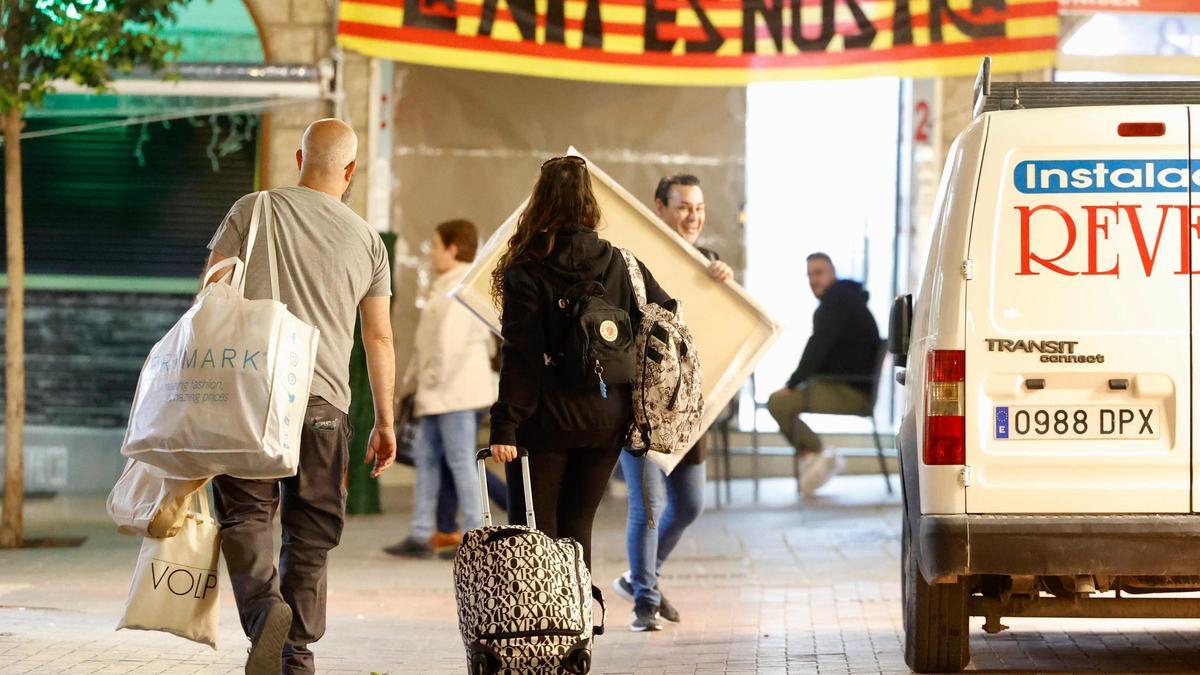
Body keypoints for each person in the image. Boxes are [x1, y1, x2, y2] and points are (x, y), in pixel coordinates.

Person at [203, 119, 397, 675]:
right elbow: (378, 336)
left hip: (249, 395)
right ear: (351, 170)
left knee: (246, 516)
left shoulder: (252, 208)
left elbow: (210, 293)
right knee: (311, 533)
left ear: (298, 157)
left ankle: (266, 616)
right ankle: (297, 656)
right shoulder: (368, 241)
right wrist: (385, 420)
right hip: (324, 405)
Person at [487, 155, 671, 573]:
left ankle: (542, 631)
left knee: (533, 535)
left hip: (546, 418)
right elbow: (664, 314)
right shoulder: (622, 263)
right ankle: (578, 634)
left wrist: (505, 423)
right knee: (577, 531)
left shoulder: (527, 269)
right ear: (590, 204)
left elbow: (522, 354)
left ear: (539, 202)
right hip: (608, 417)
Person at [612, 174, 732, 632]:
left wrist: (724, 283)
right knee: (648, 505)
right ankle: (645, 600)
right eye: (683, 206)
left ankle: (640, 577)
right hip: (640, 406)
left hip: (686, 409)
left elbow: (726, 326)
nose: (693, 216)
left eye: (699, 207)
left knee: (690, 504)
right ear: (658, 208)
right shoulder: (630, 264)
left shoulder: (707, 265)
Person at [386, 219, 497, 559]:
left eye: (435, 246)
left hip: (455, 394)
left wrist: (424, 385)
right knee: (429, 460)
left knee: (461, 461)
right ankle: (421, 533)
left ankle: (476, 536)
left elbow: (445, 348)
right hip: (442, 394)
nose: (432, 253)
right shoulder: (450, 284)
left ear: (451, 249)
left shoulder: (458, 288)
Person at [768, 252, 880, 496]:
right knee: (783, 399)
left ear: (833, 273)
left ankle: (819, 454)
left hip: (851, 391)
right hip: (847, 386)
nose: (813, 280)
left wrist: (792, 383)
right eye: (809, 275)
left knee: (778, 403)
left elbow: (817, 348)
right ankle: (813, 456)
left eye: (819, 273)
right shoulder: (846, 300)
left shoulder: (836, 302)